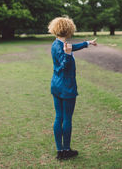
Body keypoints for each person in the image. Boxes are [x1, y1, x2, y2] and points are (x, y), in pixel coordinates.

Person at [47, 17, 97, 160]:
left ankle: (60, 150)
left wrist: (88, 43)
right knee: (66, 118)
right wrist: (68, 55)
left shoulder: (56, 43)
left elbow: (71, 47)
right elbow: (64, 65)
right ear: (69, 30)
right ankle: (66, 150)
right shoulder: (64, 47)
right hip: (66, 86)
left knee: (59, 116)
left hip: (56, 84)